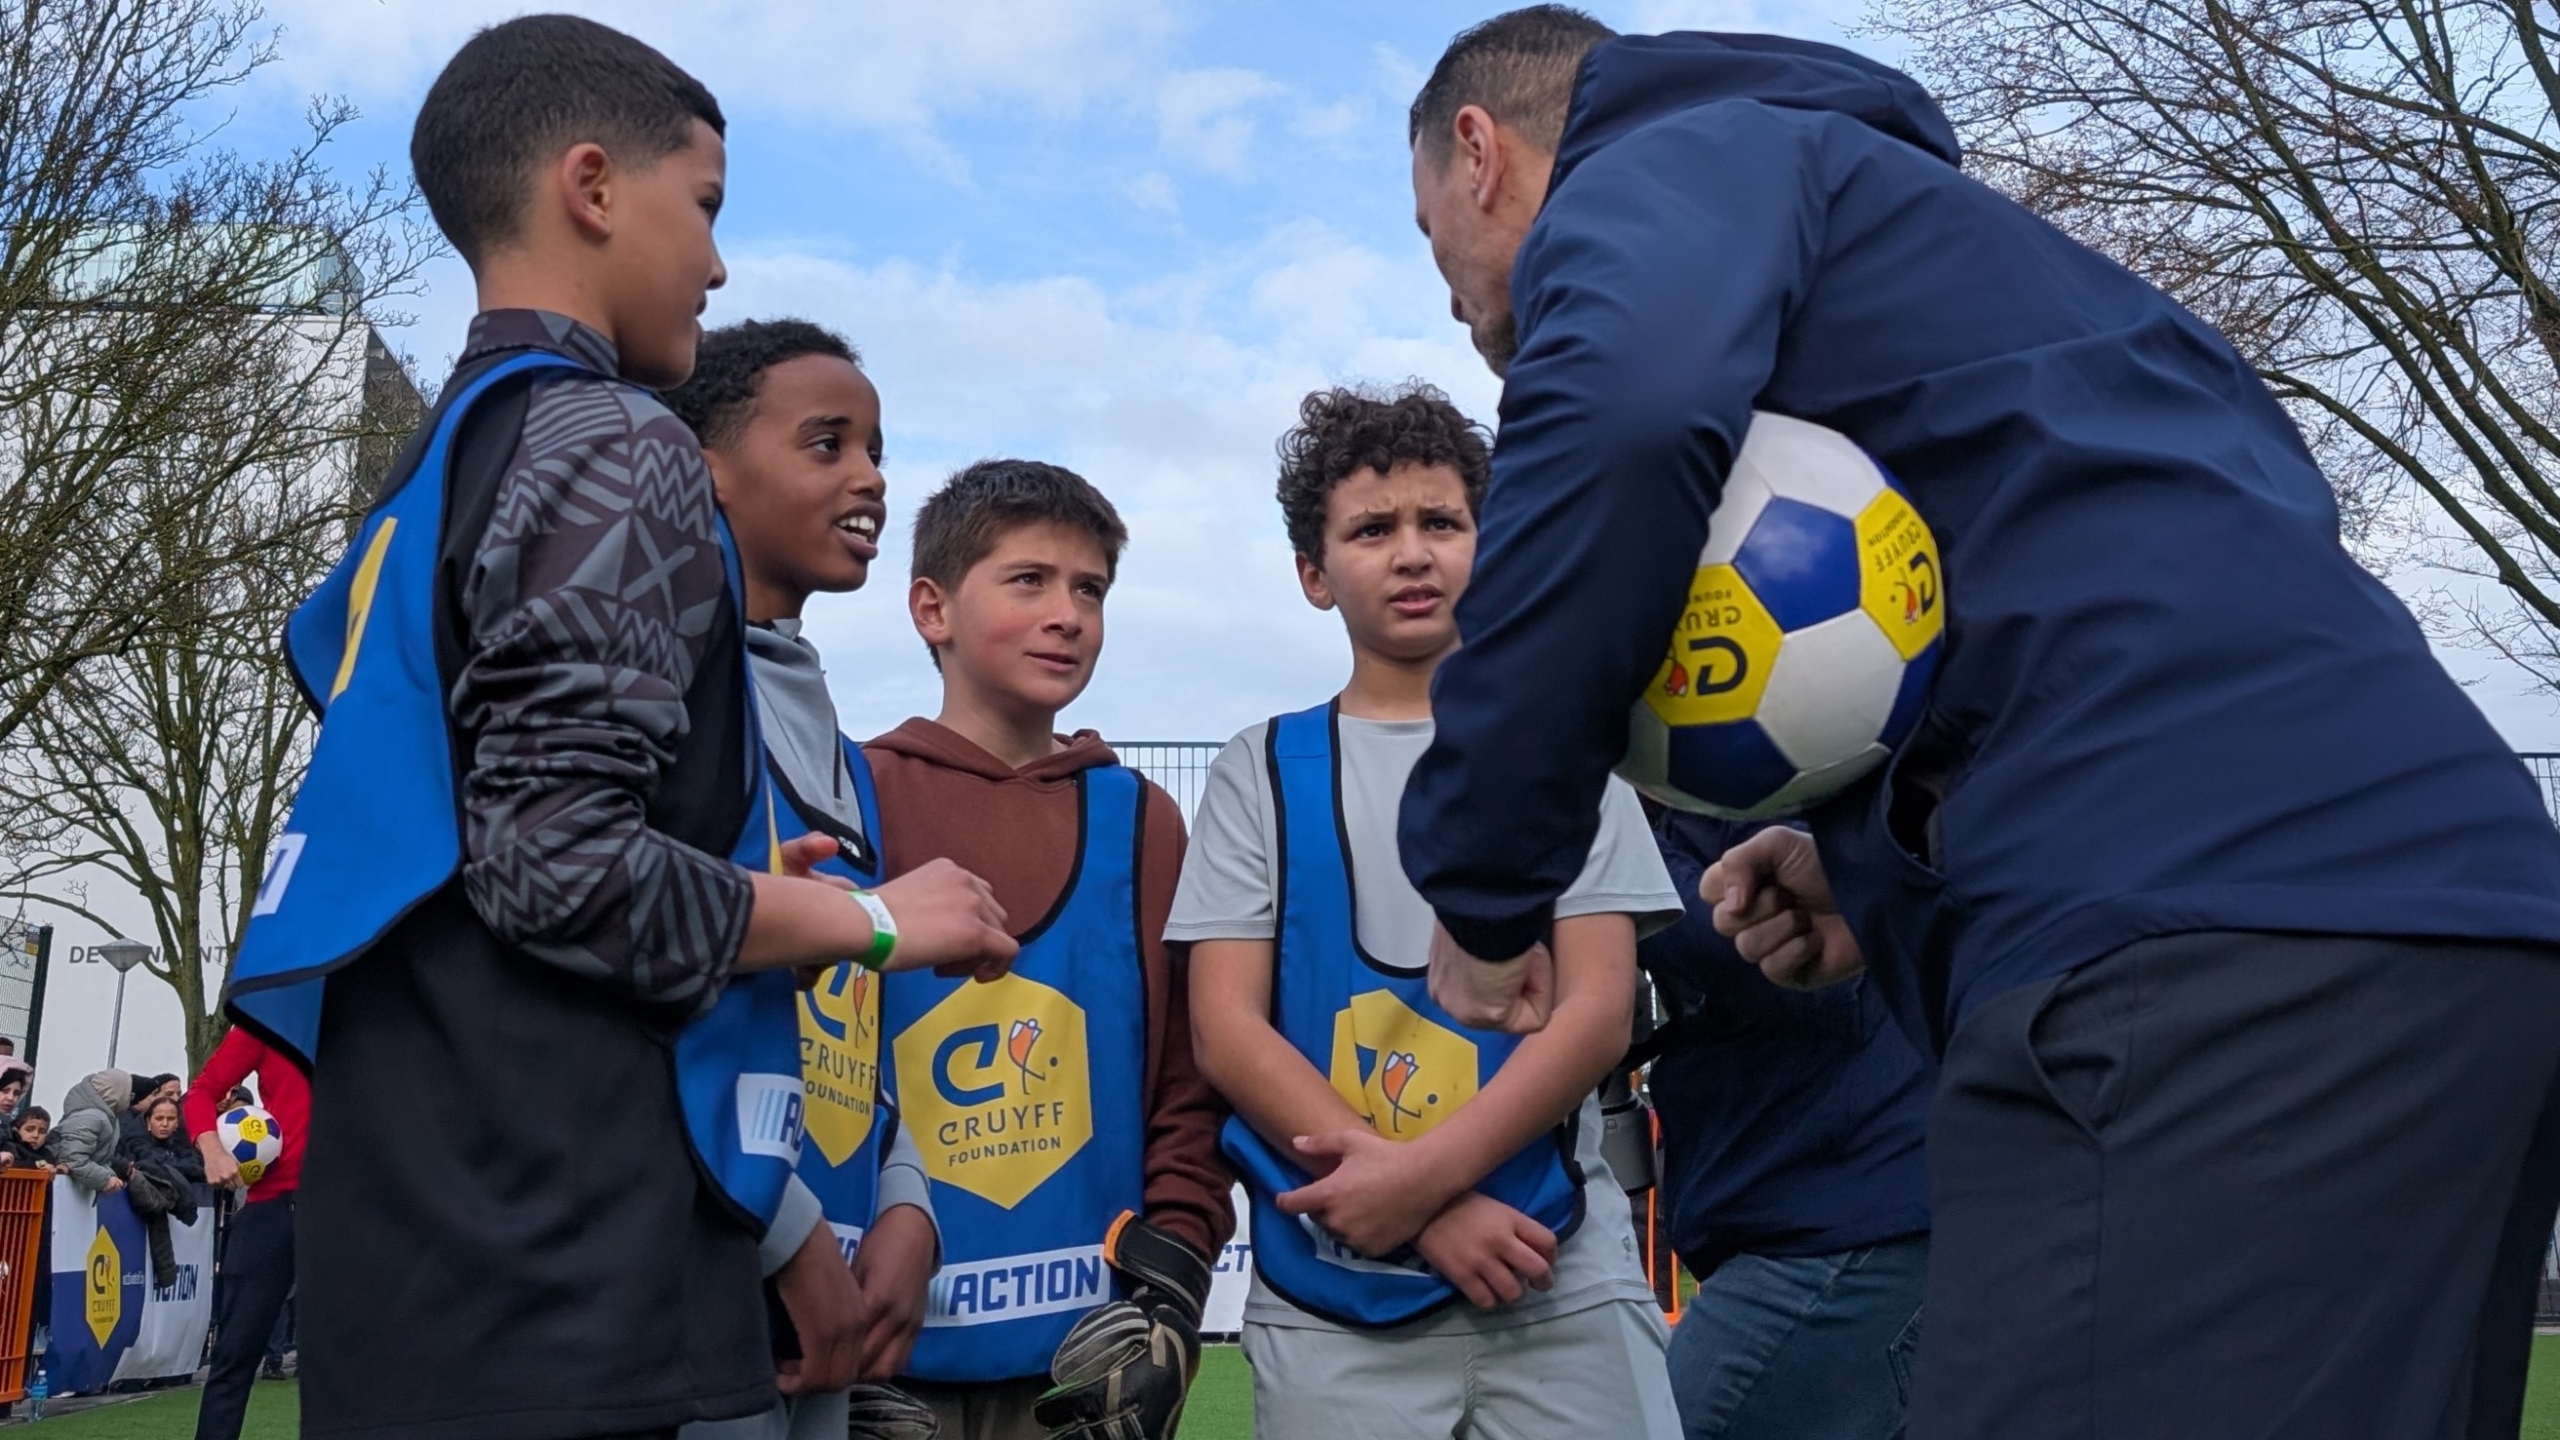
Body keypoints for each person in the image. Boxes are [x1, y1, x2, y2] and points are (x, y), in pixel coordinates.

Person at [1395, 10, 2560, 1438]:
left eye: (1428, 231)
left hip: (2210, 965)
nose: (1450, 290)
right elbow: (2153, 566)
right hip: (2455, 929)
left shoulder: (1673, 158)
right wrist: (1894, 846)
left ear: (1481, 153)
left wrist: (1485, 873)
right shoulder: (1967, 264)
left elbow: (1626, 426)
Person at [217, 17, 1017, 1440]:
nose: (715, 262)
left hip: (408, 1252)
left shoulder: (436, 465)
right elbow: (555, 865)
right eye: (703, 207)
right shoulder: (615, 437)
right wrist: (877, 924)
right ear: (593, 187)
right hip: (563, 1269)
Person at [1174, 384, 1683, 1440]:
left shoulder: (1566, 754)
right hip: (1331, 1298)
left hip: (1556, 1271)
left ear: (1488, 550)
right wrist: (1430, 1210)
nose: (1411, 553)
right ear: (1315, 575)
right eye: (1372, 529)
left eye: (1440, 522)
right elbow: (1226, 1031)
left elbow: (1594, 1012)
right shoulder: (1258, 770)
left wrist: (1420, 1184)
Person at [869, 460, 1234, 1440]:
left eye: (1090, 589)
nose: (1067, 613)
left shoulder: (1139, 819)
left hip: (1084, 1366)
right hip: (880, 1354)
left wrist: (1172, 1291)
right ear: (930, 609)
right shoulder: (850, 797)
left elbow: (1188, 1086)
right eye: (1028, 580)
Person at [661, 318, 945, 1440]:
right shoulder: (664, 684)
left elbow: (852, 1018)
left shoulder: (829, 729)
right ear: (704, 470)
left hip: (821, 1286)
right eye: (827, 444)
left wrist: (907, 1207)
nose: (872, 477)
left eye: (876, 447)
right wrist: (781, 1232)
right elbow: (628, 974)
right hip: (703, 1275)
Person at [1640, 812, 1929, 1440]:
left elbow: (1812, 975)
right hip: (1821, 1218)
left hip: (1852, 1225)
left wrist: (1614, 855)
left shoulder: (1750, 748)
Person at [185, 1026, 307, 1440]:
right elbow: (201, 1093)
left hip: (357, 1212)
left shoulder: (381, 1008)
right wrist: (212, 1148)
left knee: (363, 1361)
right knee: (235, 1354)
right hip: (275, 1208)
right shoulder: (269, 1016)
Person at [117, 1095, 205, 1288]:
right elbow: (152, 1163)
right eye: (159, 1118)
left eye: (171, 1119)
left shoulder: (182, 1143)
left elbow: (197, 1168)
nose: (164, 1124)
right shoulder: (135, 1143)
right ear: (149, 1121)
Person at [52, 1069, 129, 1196]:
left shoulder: (106, 1118)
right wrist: (105, 1179)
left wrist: (109, 1176)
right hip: (59, 1195)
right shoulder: (91, 1118)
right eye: (127, 1094)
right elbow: (73, 1160)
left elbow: (97, 1158)